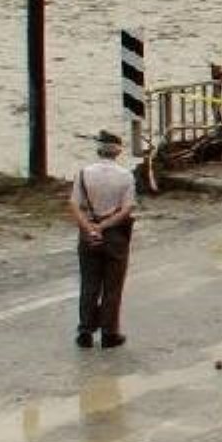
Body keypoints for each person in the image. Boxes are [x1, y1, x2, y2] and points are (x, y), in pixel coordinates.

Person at [69, 131, 136, 349]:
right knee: (112, 286)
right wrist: (104, 225)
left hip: (88, 233)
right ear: (117, 151)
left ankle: (85, 331)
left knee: (89, 283)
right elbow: (127, 209)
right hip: (115, 233)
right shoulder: (126, 176)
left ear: (99, 150)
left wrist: (89, 227)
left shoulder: (83, 173)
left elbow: (73, 205)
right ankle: (109, 332)